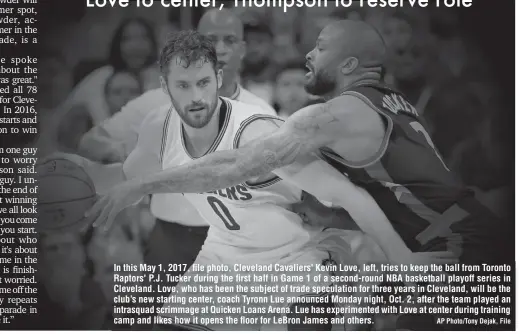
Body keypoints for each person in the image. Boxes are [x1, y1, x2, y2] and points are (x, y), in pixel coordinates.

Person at [88, 20, 505, 330]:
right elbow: (390, 193)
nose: (309, 54)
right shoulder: (389, 104)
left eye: (320, 47)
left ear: (350, 63)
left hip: (451, 249)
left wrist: (142, 186)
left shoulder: (328, 115)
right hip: (452, 235)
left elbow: (234, 165)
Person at [46, 30, 392, 330]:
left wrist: (355, 231)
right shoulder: (158, 126)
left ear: (219, 76)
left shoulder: (258, 128)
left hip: (297, 259)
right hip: (225, 259)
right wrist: (73, 182)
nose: (196, 97)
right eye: (183, 85)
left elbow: (356, 197)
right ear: (164, 86)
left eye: (203, 83)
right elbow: (124, 180)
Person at [77, 10, 277, 324]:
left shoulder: (261, 113)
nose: (220, 48)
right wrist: (118, 150)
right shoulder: (155, 106)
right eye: (211, 40)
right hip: (168, 240)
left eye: (230, 40)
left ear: (242, 49)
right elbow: (91, 142)